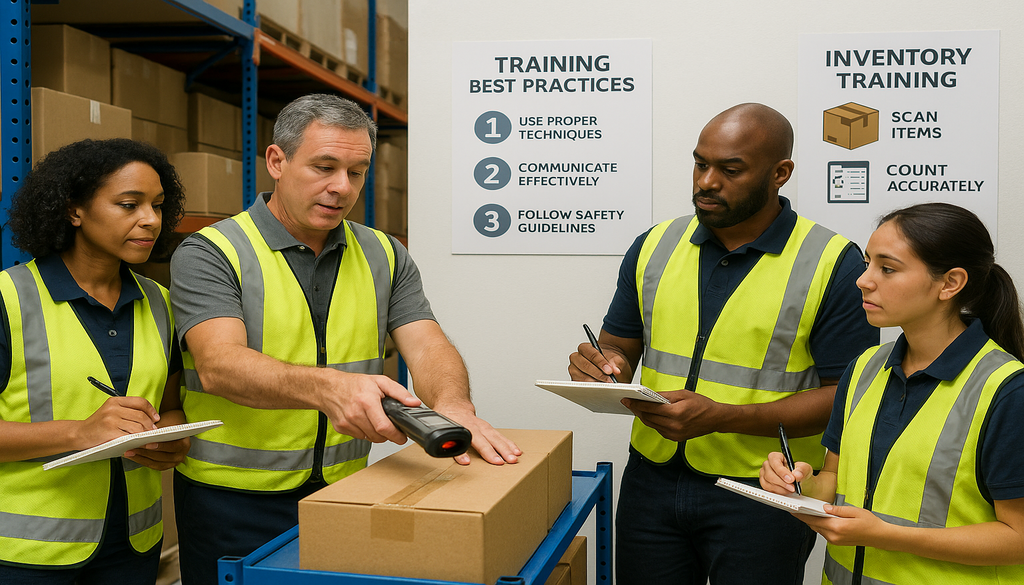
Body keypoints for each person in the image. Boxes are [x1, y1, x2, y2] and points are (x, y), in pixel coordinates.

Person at [169, 93, 522, 585]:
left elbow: (427, 344)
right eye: (324, 167)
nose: (341, 187)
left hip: (347, 488)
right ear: (277, 161)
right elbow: (219, 364)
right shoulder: (212, 252)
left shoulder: (384, 252)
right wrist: (328, 387)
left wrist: (454, 404)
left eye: (356, 172)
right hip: (231, 503)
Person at [568, 103, 878, 585]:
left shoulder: (834, 263)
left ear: (780, 173)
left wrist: (724, 416)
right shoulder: (654, 245)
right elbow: (618, 349)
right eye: (700, 164)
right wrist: (603, 366)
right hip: (651, 479)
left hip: (766, 490)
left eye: (730, 169)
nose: (707, 182)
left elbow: (848, 397)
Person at [760, 202, 1024, 584]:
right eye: (868, 263)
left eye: (887, 268)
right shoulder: (865, 367)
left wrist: (885, 535)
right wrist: (800, 485)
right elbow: (833, 476)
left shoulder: (1006, 391)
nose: (863, 280)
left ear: (950, 283)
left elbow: (1017, 537)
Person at [0, 138, 188, 584]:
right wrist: (79, 433)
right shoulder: (9, 300)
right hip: (28, 555)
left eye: (158, 206)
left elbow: (171, 403)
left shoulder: (160, 304)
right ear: (74, 210)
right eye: (129, 204)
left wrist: (171, 439)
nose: (151, 220)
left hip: (133, 549)